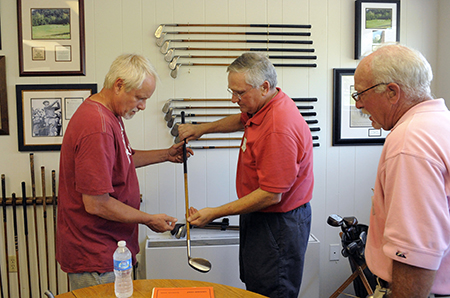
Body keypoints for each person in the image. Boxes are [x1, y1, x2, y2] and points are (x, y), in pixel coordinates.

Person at [178, 52, 314, 298]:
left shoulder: (278, 128)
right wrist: (202, 129)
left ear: (264, 87)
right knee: (255, 283)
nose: (233, 99)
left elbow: (272, 195)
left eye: (240, 93)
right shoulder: (266, 104)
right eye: (231, 91)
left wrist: (214, 213)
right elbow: (242, 119)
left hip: (278, 224)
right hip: (261, 217)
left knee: (272, 290)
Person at [56, 54, 192, 290]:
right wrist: (149, 219)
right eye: (139, 98)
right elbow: (96, 203)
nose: (142, 106)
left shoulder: (110, 115)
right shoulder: (97, 127)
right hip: (97, 256)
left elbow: (124, 159)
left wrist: (166, 155)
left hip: (111, 250)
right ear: (119, 85)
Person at [353, 44, 450, 297]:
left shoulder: (410, 141)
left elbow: (415, 251)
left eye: (360, 94)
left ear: (392, 92)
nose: (359, 105)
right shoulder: (441, 122)